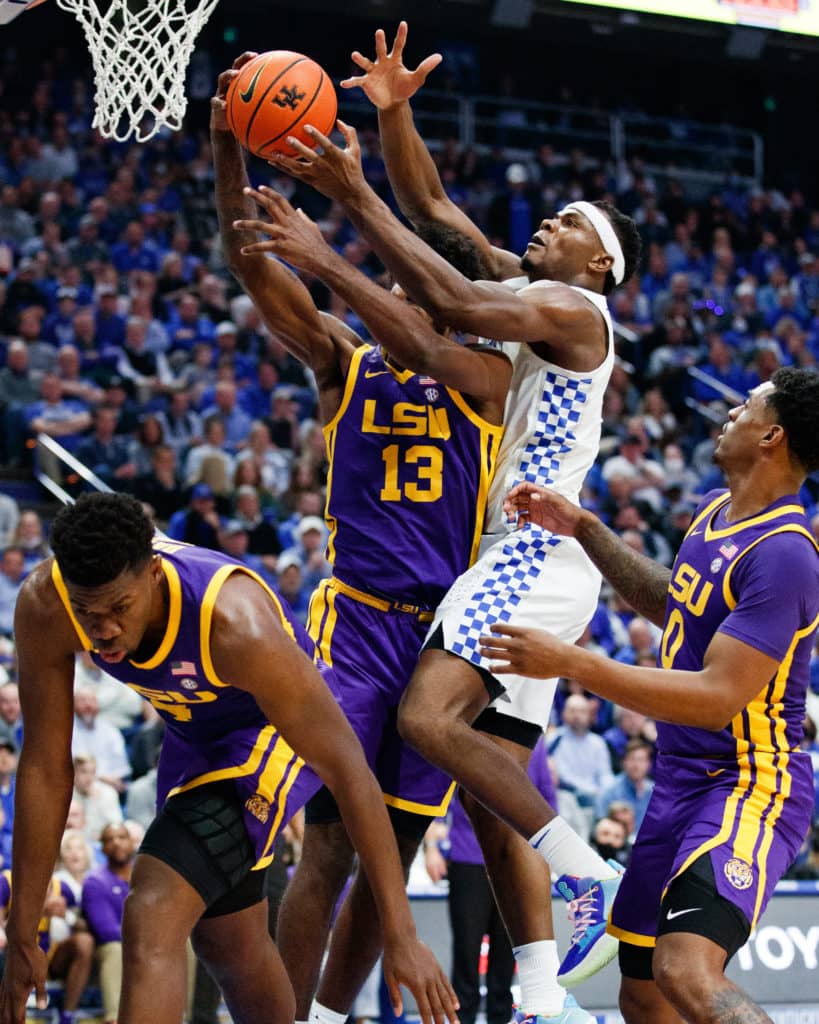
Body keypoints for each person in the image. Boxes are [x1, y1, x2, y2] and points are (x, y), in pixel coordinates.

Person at [240, 21, 641, 1007]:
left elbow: (447, 295)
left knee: (425, 721)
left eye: (573, 221)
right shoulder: (541, 288)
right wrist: (395, 114)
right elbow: (434, 210)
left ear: (599, 266)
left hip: (525, 549)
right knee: (487, 779)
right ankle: (546, 982)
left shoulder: (575, 314)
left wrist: (343, 218)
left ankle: (593, 876)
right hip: (537, 561)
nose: (551, 223)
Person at [212, 56, 505, 1024]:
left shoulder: (484, 373)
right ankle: (289, 1014)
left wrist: (334, 239)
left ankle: (336, 1011)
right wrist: (225, 148)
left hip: (446, 636)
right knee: (332, 834)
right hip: (362, 623)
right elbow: (254, 262)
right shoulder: (347, 358)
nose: (410, 287)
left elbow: (429, 339)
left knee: (403, 836)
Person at [0, 491, 457, 1024]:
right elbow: (44, 768)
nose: (102, 632)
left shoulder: (234, 622)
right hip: (192, 736)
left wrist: (400, 933)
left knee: (152, 908)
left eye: (118, 610)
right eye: (88, 613)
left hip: (270, 734)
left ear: (152, 572)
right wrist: (22, 929)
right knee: (226, 940)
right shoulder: (46, 605)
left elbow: (349, 770)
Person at [482, 368, 819, 1023]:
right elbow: (676, 602)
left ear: (771, 436)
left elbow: (715, 696)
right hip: (676, 786)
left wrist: (571, 661)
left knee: (683, 968)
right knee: (640, 991)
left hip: (745, 786)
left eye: (746, 405)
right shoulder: (719, 516)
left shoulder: (785, 553)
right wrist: (583, 528)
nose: (730, 413)